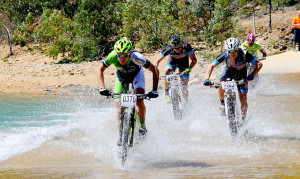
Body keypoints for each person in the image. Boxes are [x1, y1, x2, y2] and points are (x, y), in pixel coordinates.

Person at [97, 37, 159, 138]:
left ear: (130, 54)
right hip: (122, 77)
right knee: (118, 110)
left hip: (137, 75)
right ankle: (121, 136)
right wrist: (102, 88)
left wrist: (155, 90)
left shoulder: (137, 57)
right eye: (119, 55)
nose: (122, 58)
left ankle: (142, 127)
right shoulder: (112, 56)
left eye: (125, 56)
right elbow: (100, 69)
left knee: (139, 101)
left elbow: (154, 69)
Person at [203, 37, 263, 121]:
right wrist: (207, 79)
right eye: (230, 51)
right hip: (228, 72)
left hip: (241, 74)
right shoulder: (225, 54)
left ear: (238, 48)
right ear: (227, 50)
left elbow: (259, 64)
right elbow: (211, 66)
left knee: (243, 98)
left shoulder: (244, 54)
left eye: (235, 50)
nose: (233, 53)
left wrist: (252, 75)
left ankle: (244, 119)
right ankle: (222, 103)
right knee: (221, 84)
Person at [154, 34, 198, 103]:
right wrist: (155, 72)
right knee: (167, 72)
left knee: (184, 87)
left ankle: (186, 103)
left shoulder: (186, 46)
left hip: (184, 62)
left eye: (179, 47)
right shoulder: (168, 48)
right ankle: (167, 93)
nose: (177, 49)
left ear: (182, 44)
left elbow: (194, 60)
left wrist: (189, 68)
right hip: (173, 61)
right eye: (175, 48)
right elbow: (157, 61)